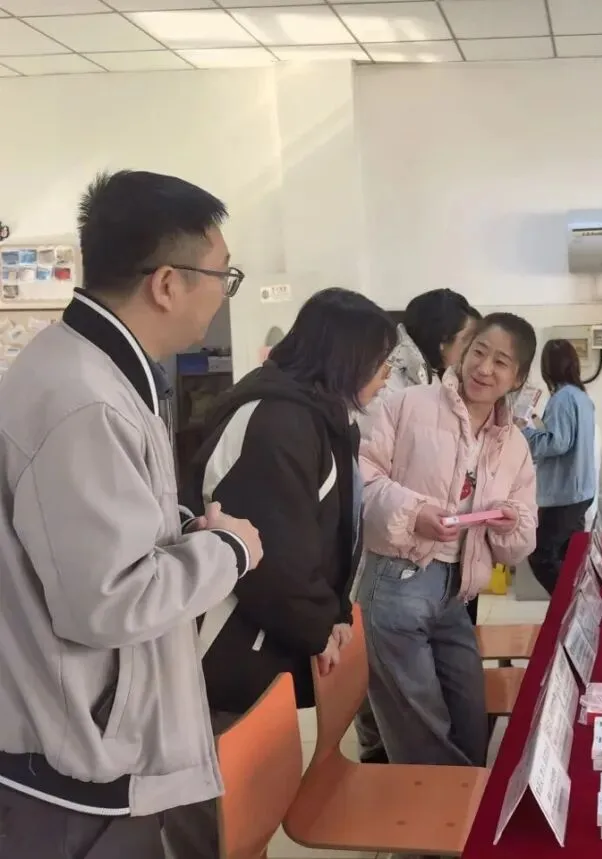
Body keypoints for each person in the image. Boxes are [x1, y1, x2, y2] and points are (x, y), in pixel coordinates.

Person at [0, 170, 263, 858]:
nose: (222, 291)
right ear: (168, 283)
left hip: (84, 747)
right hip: (74, 768)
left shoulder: (94, 371)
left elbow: (99, 541)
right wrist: (229, 551)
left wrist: (183, 530)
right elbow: (110, 602)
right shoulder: (84, 398)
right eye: (223, 275)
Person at [168, 289, 396, 857]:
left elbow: (322, 538)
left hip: (261, 644)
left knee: (245, 818)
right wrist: (321, 626)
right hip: (223, 650)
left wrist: (331, 615)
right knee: (218, 824)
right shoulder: (276, 420)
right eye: (381, 360)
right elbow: (268, 558)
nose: (387, 375)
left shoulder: (317, 416)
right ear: (345, 357)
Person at [358, 313, 538, 770]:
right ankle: (440, 814)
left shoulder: (514, 445)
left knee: (470, 717)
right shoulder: (406, 405)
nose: (484, 368)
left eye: (501, 362)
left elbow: (522, 538)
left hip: (456, 591)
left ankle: (460, 805)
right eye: (479, 351)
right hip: (397, 580)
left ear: (517, 378)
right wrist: (414, 512)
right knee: (422, 726)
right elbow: (361, 479)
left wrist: (508, 523)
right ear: (464, 351)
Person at [353, 287, 480, 764]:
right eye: (469, 344)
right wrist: (417, 510)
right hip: (394, 555)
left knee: (446, 697)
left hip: (438, 559)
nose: (475, 360)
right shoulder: (389, 383)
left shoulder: (433, 377)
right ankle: (385, 763)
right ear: (443, 340)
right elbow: (369, 474)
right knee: (411, 705)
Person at [520, 338, 597, 595]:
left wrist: (525, 433)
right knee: (569, 558)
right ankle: (574, 606)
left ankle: (568, 602)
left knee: (541, 556)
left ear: (547, 368)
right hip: (580, 491)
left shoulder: (562, 398)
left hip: (563, 495)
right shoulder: (582, 397)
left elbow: (558, 443)